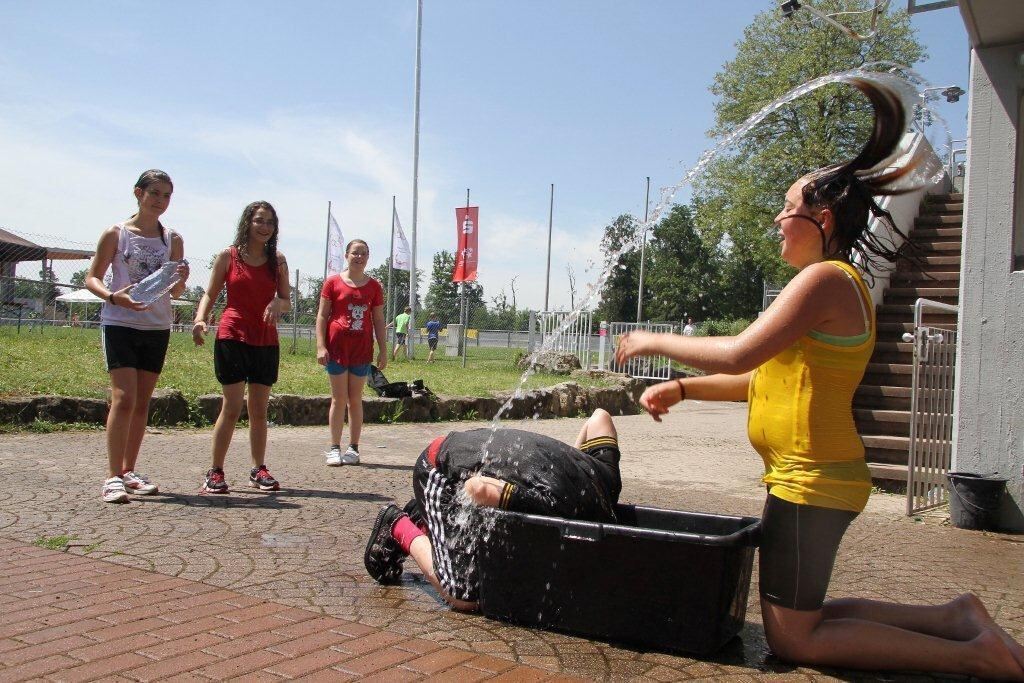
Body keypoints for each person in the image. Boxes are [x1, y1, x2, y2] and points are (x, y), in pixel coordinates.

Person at [615, 78, 1024, 680]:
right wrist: (681, 387)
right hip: (809, 476)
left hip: (814, 480)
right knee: (802, 616)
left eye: (787, 209)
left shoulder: (827, 280)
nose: (778, 221)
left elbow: (737, 353)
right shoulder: (824, 286)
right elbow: (762, 380)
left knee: (793, 637)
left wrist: (650, 340)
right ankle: (956, 617)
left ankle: (973, 656)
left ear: (821, 218)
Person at [363, 409, 622, 612]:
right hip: (436, 466)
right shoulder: (550, 505)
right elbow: (478, 490)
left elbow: (600, 417)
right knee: (463, 594)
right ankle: (399, 525)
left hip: (468, 449)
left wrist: (569, 464)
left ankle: (431, 515)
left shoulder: (608, 484)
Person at [85, 169, 189, 503]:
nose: (160, 201)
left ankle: (129, 470)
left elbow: (175, 291)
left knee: (143, 401)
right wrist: (115, 297)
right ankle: (112, 476)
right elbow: (93, 278)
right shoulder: (116, 234)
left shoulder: (172, 239)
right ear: (138, 193)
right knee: (124, 398)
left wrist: (182, 277)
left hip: (157, 326)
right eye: (155, 193)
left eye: (167, 195)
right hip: (119, 323)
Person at [192, 201, 291, 494]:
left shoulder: (279, 260)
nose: (265, 227)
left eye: (270, 222)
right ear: (247, 222)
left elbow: (286, 300)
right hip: (233, 335)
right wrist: (199, 319)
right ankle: (215, 471)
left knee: (259, 409)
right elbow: (210, 293)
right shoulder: (229, 256)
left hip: (265, 339)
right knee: (232, 407)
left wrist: (277, 303)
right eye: (259, 220)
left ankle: (258, 469)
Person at [317, 239, 387, 466]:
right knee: (338, 399)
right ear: (346, 255)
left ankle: (354, 448)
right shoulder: (332, 282)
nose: (359, 257)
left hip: (361, 350)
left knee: (355, 399)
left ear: (368, 257)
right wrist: (321, 345)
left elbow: (378, 318)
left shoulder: (374, 287)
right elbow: (322, 316)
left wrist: (383, 350)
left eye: (363, 253)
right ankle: (334, 447)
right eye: (355, 253)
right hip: (337, 348)